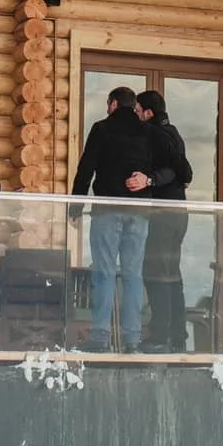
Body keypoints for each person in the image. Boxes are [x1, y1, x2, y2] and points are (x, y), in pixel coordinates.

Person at [69, 86, 157, 353]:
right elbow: (157, 170)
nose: (107, 108)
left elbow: (86, 168)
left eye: (108, 103)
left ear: (115, 104)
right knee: (133, 275)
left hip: (106, 210)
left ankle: (100, 337)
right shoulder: (148, 132)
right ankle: (132, 340)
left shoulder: (102, 129)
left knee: (104, 273)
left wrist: (75, 205)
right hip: (139, 213)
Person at [137, 90, 194, 352]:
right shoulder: (174, 133)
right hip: (178, 213)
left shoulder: (155, 135)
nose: (136, 115)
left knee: (156, 273)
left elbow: (176, 171)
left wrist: (149, 180)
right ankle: (178, 337)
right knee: (172, 274)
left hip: (163, 213)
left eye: (138, 111)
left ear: (148, 112)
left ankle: (160, 336)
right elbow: (181, 171)